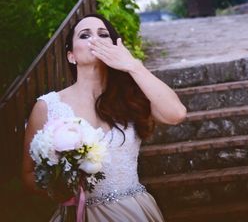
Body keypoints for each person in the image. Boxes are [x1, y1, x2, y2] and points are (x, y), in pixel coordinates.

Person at [22, 13, 187, 221]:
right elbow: (28, 174)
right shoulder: (47, 106)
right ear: (71, 56)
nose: (95, 39)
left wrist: (133, 65)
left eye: (103, 34)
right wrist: (59, 186)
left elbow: (177, 114)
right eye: (84, 35)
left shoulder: (132, 97)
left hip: (132, 212)